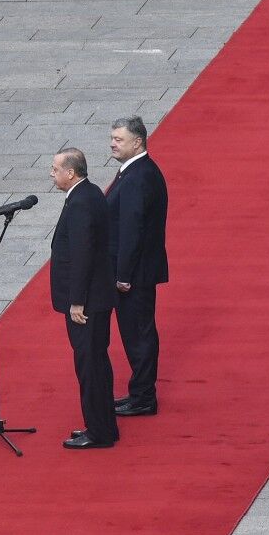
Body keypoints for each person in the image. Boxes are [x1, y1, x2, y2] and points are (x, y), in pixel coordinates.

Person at [48, 148, 117, 449]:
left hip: (87, 303)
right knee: (96, 362)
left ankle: (98, 432)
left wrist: (76, 301)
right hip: (97, 296)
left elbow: (82, 254)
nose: (52, 174)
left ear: (71, 173)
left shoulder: (80, 203)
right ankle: (103, 425)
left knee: (89, 365)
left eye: (55, 169)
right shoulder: (90, 194)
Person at [105, 116, 168, 417]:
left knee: (138, 333)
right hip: (137, 269)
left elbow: (132, 229)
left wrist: (123, 275)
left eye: (118, 139)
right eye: (113, 138)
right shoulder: (135, 171)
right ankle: (139, 392)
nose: (113, 143)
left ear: (138, 142)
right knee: (136, 332)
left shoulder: (139, 176)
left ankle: (143, 396)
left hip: (134, 274)